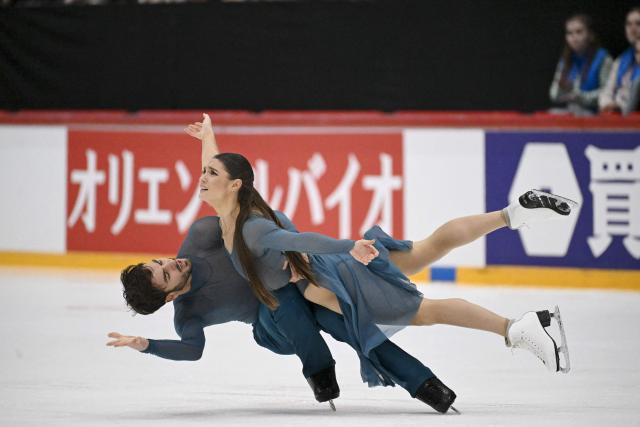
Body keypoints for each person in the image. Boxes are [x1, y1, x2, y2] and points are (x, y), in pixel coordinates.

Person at [187, 115, 574, 404]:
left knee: (425, 312)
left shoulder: (250, 227)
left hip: (334, 279)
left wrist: (348, 246)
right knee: (426, 249)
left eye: (211, 173)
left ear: (234, 185)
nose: (202, 177)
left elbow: (300, 238)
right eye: (204, 171)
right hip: (329, 276)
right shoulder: (230, 213)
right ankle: (510, 215)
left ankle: (517, 327)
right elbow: (221, 165)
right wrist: (208, 137)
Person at [108, 115, 455, 414]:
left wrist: (208, 139)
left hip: (292, 285)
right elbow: (192, 350)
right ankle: (320, 368)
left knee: (345, 323)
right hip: (270, 325)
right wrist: (147, 345)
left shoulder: (200, 236)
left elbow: (229, 200)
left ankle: (425, 384)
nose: (174, 262)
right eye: (167, 273)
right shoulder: (189, 314)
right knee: (282, 303)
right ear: (169, 297)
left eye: (160, 260)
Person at [549, 13, 612, 116]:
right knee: (551, 115)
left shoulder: (603, 59)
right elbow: (553, 94)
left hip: (597, 115)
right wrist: (561, 90)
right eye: (569, 33)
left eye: (579, 32)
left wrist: (581, 97)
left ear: (590, 35)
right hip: (572, 112)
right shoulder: (566, 60)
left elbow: (608, 94)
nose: (574, 37)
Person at [599, 7, 640, 115]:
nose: (633, 28)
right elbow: (607, 91)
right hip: (617, 115)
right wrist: (608, 104)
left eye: (638, 23)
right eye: (629, 24)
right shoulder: (621, 59)